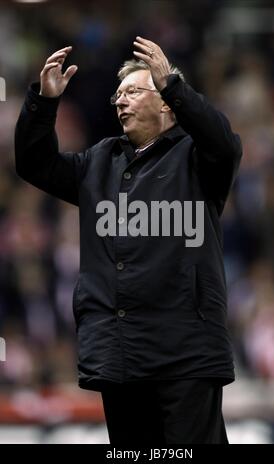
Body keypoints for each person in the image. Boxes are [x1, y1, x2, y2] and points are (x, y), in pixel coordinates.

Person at [15, 36, 242, 444]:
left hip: (185, 352)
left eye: (134, 91)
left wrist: (172, 81)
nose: (120, 101)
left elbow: (223, 141)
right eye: (118, 95)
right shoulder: (98, 161)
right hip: (119, 354)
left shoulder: (198, 157)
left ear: (167, 103)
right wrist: (44, 103)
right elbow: (35, 164)